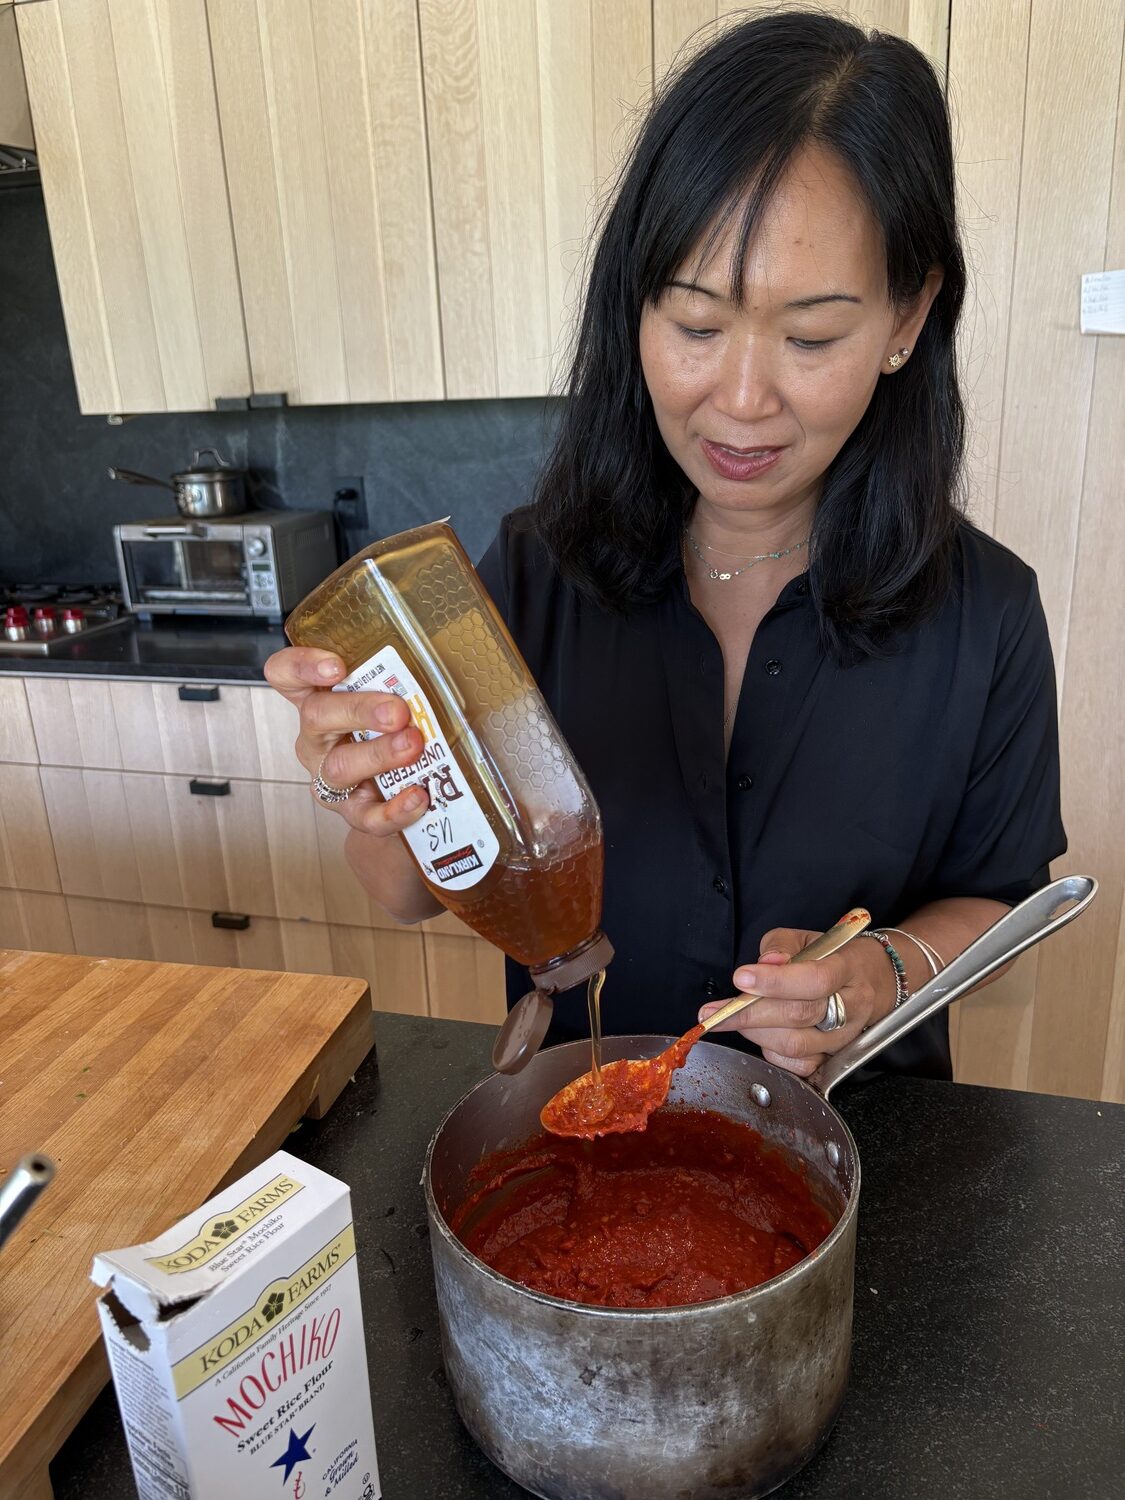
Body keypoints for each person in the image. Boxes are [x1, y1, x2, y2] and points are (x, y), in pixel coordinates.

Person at [265, 10, 1065, 1082]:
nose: (740, 400)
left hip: (868, 1166)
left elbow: (1002, 906)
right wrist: (375, 794)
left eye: (812, 336)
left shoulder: (986, 612)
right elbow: (412, 891)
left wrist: (885, 968)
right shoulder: (532, 577)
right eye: (694, 324)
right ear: (633, 307)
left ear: (907, 319)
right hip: (584, 1147)